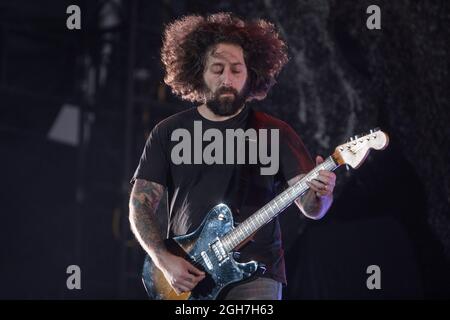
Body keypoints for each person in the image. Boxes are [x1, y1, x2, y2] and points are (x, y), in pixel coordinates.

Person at [129, 12, 336, 300]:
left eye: (237, 70)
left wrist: (322, 194)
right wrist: (163, 259)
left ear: (251, 75)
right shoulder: (167, 132)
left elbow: (311, 207)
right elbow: (140, 206)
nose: (227, 78)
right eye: (217, 69)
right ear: (199, 72)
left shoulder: (276, 133)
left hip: (257, 274)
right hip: (188, 277)